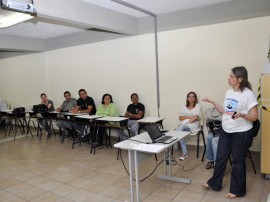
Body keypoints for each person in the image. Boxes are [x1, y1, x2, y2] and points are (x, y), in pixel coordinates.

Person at [201, 66, 258, 199]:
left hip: (241, 133)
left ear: (240, 79)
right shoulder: (229, 92)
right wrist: (213, 101)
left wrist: (242, 115)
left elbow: (254, 116)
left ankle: (237, 190)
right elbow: (224, 111)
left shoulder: (248, 94)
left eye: (231, 76)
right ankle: (215, 183)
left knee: (238, 161)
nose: (229, 78)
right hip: (226, 130)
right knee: (220, 158)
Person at [175, 91, 201, 161]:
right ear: (187, 98)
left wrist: (187, 120)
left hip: (193, 126)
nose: (191, 98)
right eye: (189, 96)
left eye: (193, 97)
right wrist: (190, 117)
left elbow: (196, 118)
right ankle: (185, 153)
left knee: (179, 129)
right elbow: (180, 117)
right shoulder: (184, 106)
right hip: (184, 125)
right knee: (179, 131)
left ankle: (170, 142)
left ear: (195, 98)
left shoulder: (197, 106)